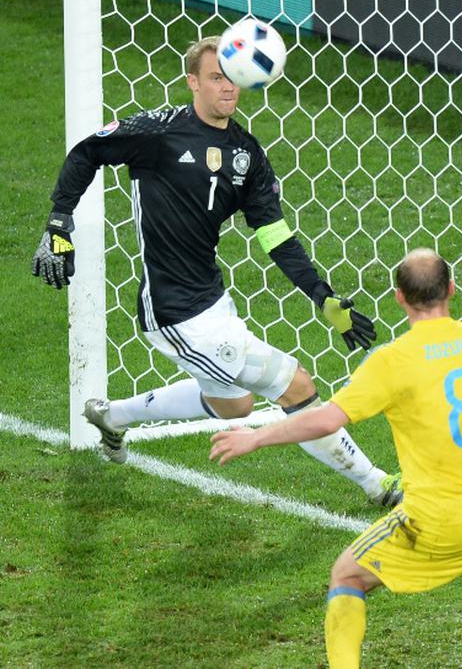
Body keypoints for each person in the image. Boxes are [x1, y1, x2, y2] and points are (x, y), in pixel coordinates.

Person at [31, 36, 401, 506]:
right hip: (173, 310)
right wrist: (59, 221)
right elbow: (88, 152)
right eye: (215, 77)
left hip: (211, 299)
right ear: (193, 82)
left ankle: (113, 416)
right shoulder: (157, 133)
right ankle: (378, 485)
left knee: (235, 404)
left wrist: (321, 295)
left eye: (233, 78)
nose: (227, 87)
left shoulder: (246, 154)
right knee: (296, 385)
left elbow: (275, 235)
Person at [208, 248, 462, 668]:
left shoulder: (391, 361)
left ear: (399, 297)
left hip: (439, 519)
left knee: (347, 575)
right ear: (451, 289)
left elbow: (326, 420)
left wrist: (256, 438)